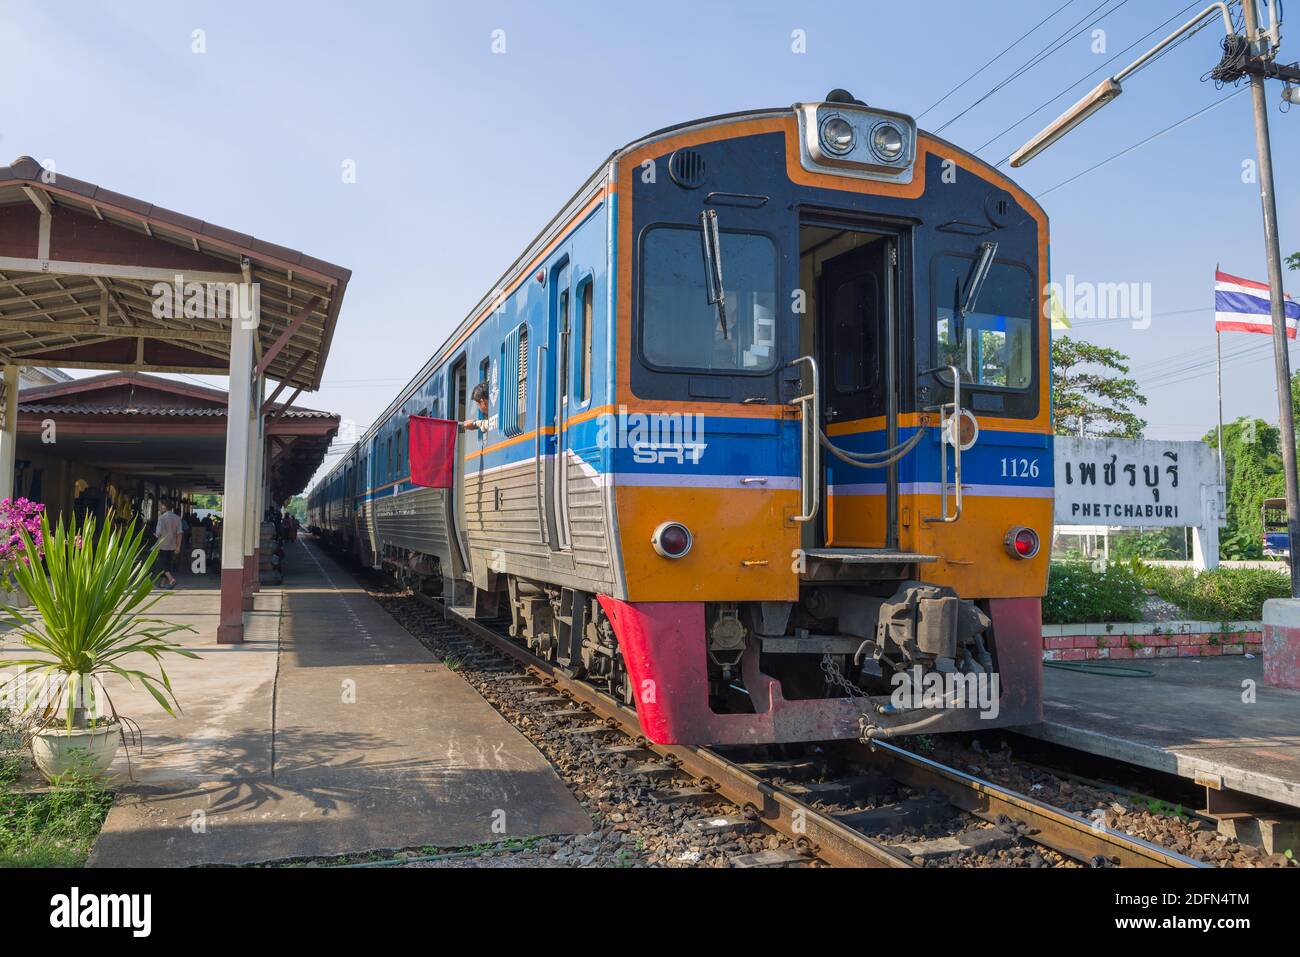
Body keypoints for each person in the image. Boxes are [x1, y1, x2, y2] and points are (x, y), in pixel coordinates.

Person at [155, 498, 183, 589]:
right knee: (168, 564)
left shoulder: (161, 518)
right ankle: (163, 583)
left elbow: (158, 533)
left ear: (164, 506)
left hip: (162, 544)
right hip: (172, 544)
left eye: (161, 505)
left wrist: (155, 535)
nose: (160, 507)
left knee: (162, 564)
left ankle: (171, 579)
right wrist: (178, 546)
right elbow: (179, 533)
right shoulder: (177, 518)